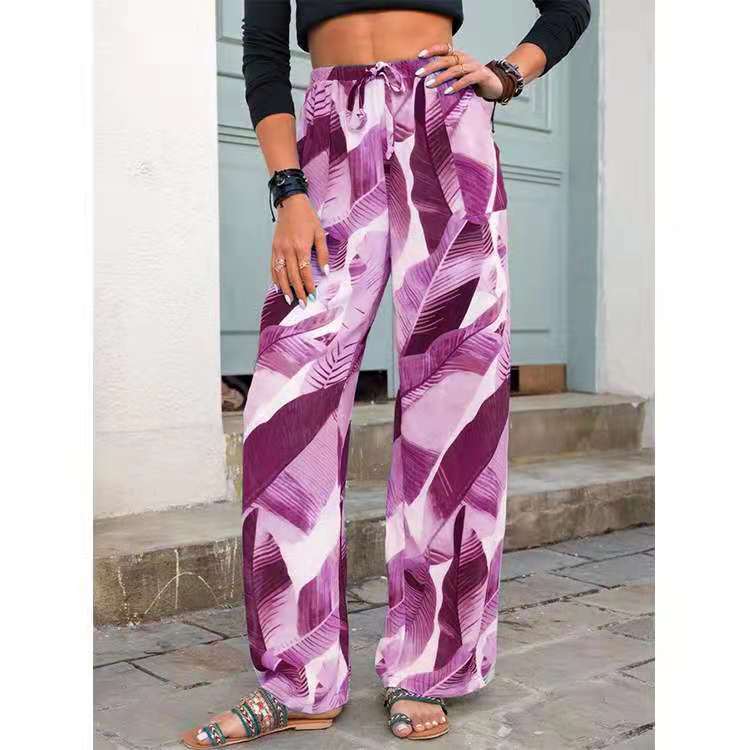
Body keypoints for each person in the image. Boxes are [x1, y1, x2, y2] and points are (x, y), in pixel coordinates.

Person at [181, 1, 589, 746]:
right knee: (286, 407)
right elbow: (264, 59)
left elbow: (569, 7)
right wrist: (288, 190)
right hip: (328, 143)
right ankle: (299, 675)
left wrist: (506, 75)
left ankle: (427, 666)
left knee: (452, 405)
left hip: (445, 124)